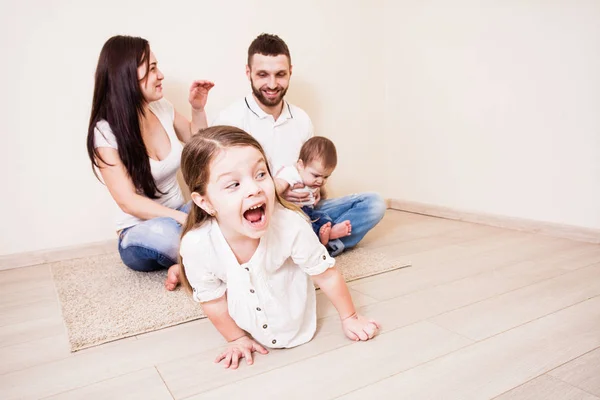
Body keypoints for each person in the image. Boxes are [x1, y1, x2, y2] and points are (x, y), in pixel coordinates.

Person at [178, 126, 380, 369]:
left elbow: (327, 275)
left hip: (296, 315)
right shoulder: (197, 245)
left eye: (261, 174)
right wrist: (237, 338)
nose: (254, 189)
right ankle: (177, 269)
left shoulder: (290, 224)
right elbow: (213, 301)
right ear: (205, 202)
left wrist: (350, 318)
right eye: (233, 184)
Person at [213, 33, 386, 256]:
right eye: (263, 75)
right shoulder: (231, 119)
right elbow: (224, 187)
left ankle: (315, 246)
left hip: (305, 210)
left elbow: (314, 174)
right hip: (261, 212)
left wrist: (316, 190)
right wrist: (277, 195)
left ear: (290, 72)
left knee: (374, 204)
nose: (273, 84)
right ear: (248, 73)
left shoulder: (302, 119)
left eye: (280, 75)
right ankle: (309, 246)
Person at [86, 35, 214, 290]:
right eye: (152, 68)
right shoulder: (105, 132)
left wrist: (197, 109)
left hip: (181, 215)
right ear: (127, 76)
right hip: (141, 231)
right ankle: (202, 257)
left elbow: (198, 144)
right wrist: (178, 218)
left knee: (222, 210)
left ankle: (185, 266)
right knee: (169, 237)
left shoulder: (161, 107)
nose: (161, 75)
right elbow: (127, 201)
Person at [276, 136, 352, 246]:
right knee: (303, 225)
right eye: (316, 175)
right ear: (301, 165)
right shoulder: (291, 173)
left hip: (310, 211)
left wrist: (320, 192)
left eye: (326, 177)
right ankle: (324, 239)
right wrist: (279, 196)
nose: (321, 181)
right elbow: (277, 185)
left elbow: (321, 195)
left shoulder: (313, 178)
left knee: (322, 217)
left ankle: (329, 232)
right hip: (292, 212)